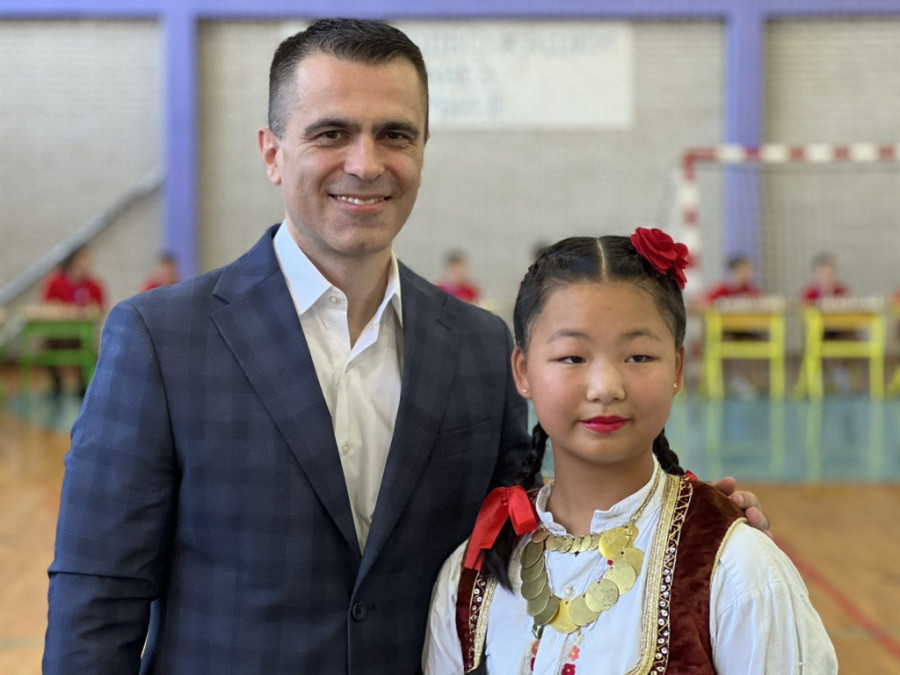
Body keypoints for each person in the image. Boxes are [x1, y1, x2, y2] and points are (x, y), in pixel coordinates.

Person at [43, 20, 768, 674]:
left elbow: (523, 531)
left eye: (395, 134)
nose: (366, 163)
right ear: (272, 152)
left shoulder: (478, 346)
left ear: (422, 149)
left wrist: (688, 527)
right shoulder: (161, 339)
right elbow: (97, 597)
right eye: (331, 133)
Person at [424, 230, 836, 674]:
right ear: (523, 371)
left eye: (638, 356)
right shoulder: (471, 574)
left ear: (678, 368)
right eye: (572, 357)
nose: (606, 387)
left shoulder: (737, 568)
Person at [41, 246, 105, 396]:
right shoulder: (56, 282)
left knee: (86, 345)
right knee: (48, 345)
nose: (84, 267)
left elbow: (99, 309)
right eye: (81, 263)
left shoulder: (94, 286)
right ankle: (56, 383)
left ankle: (83, 386)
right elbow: (47, 305)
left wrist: (92, 310)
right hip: (58, 331)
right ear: (72, 263)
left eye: (87, 263)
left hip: (81, 332)